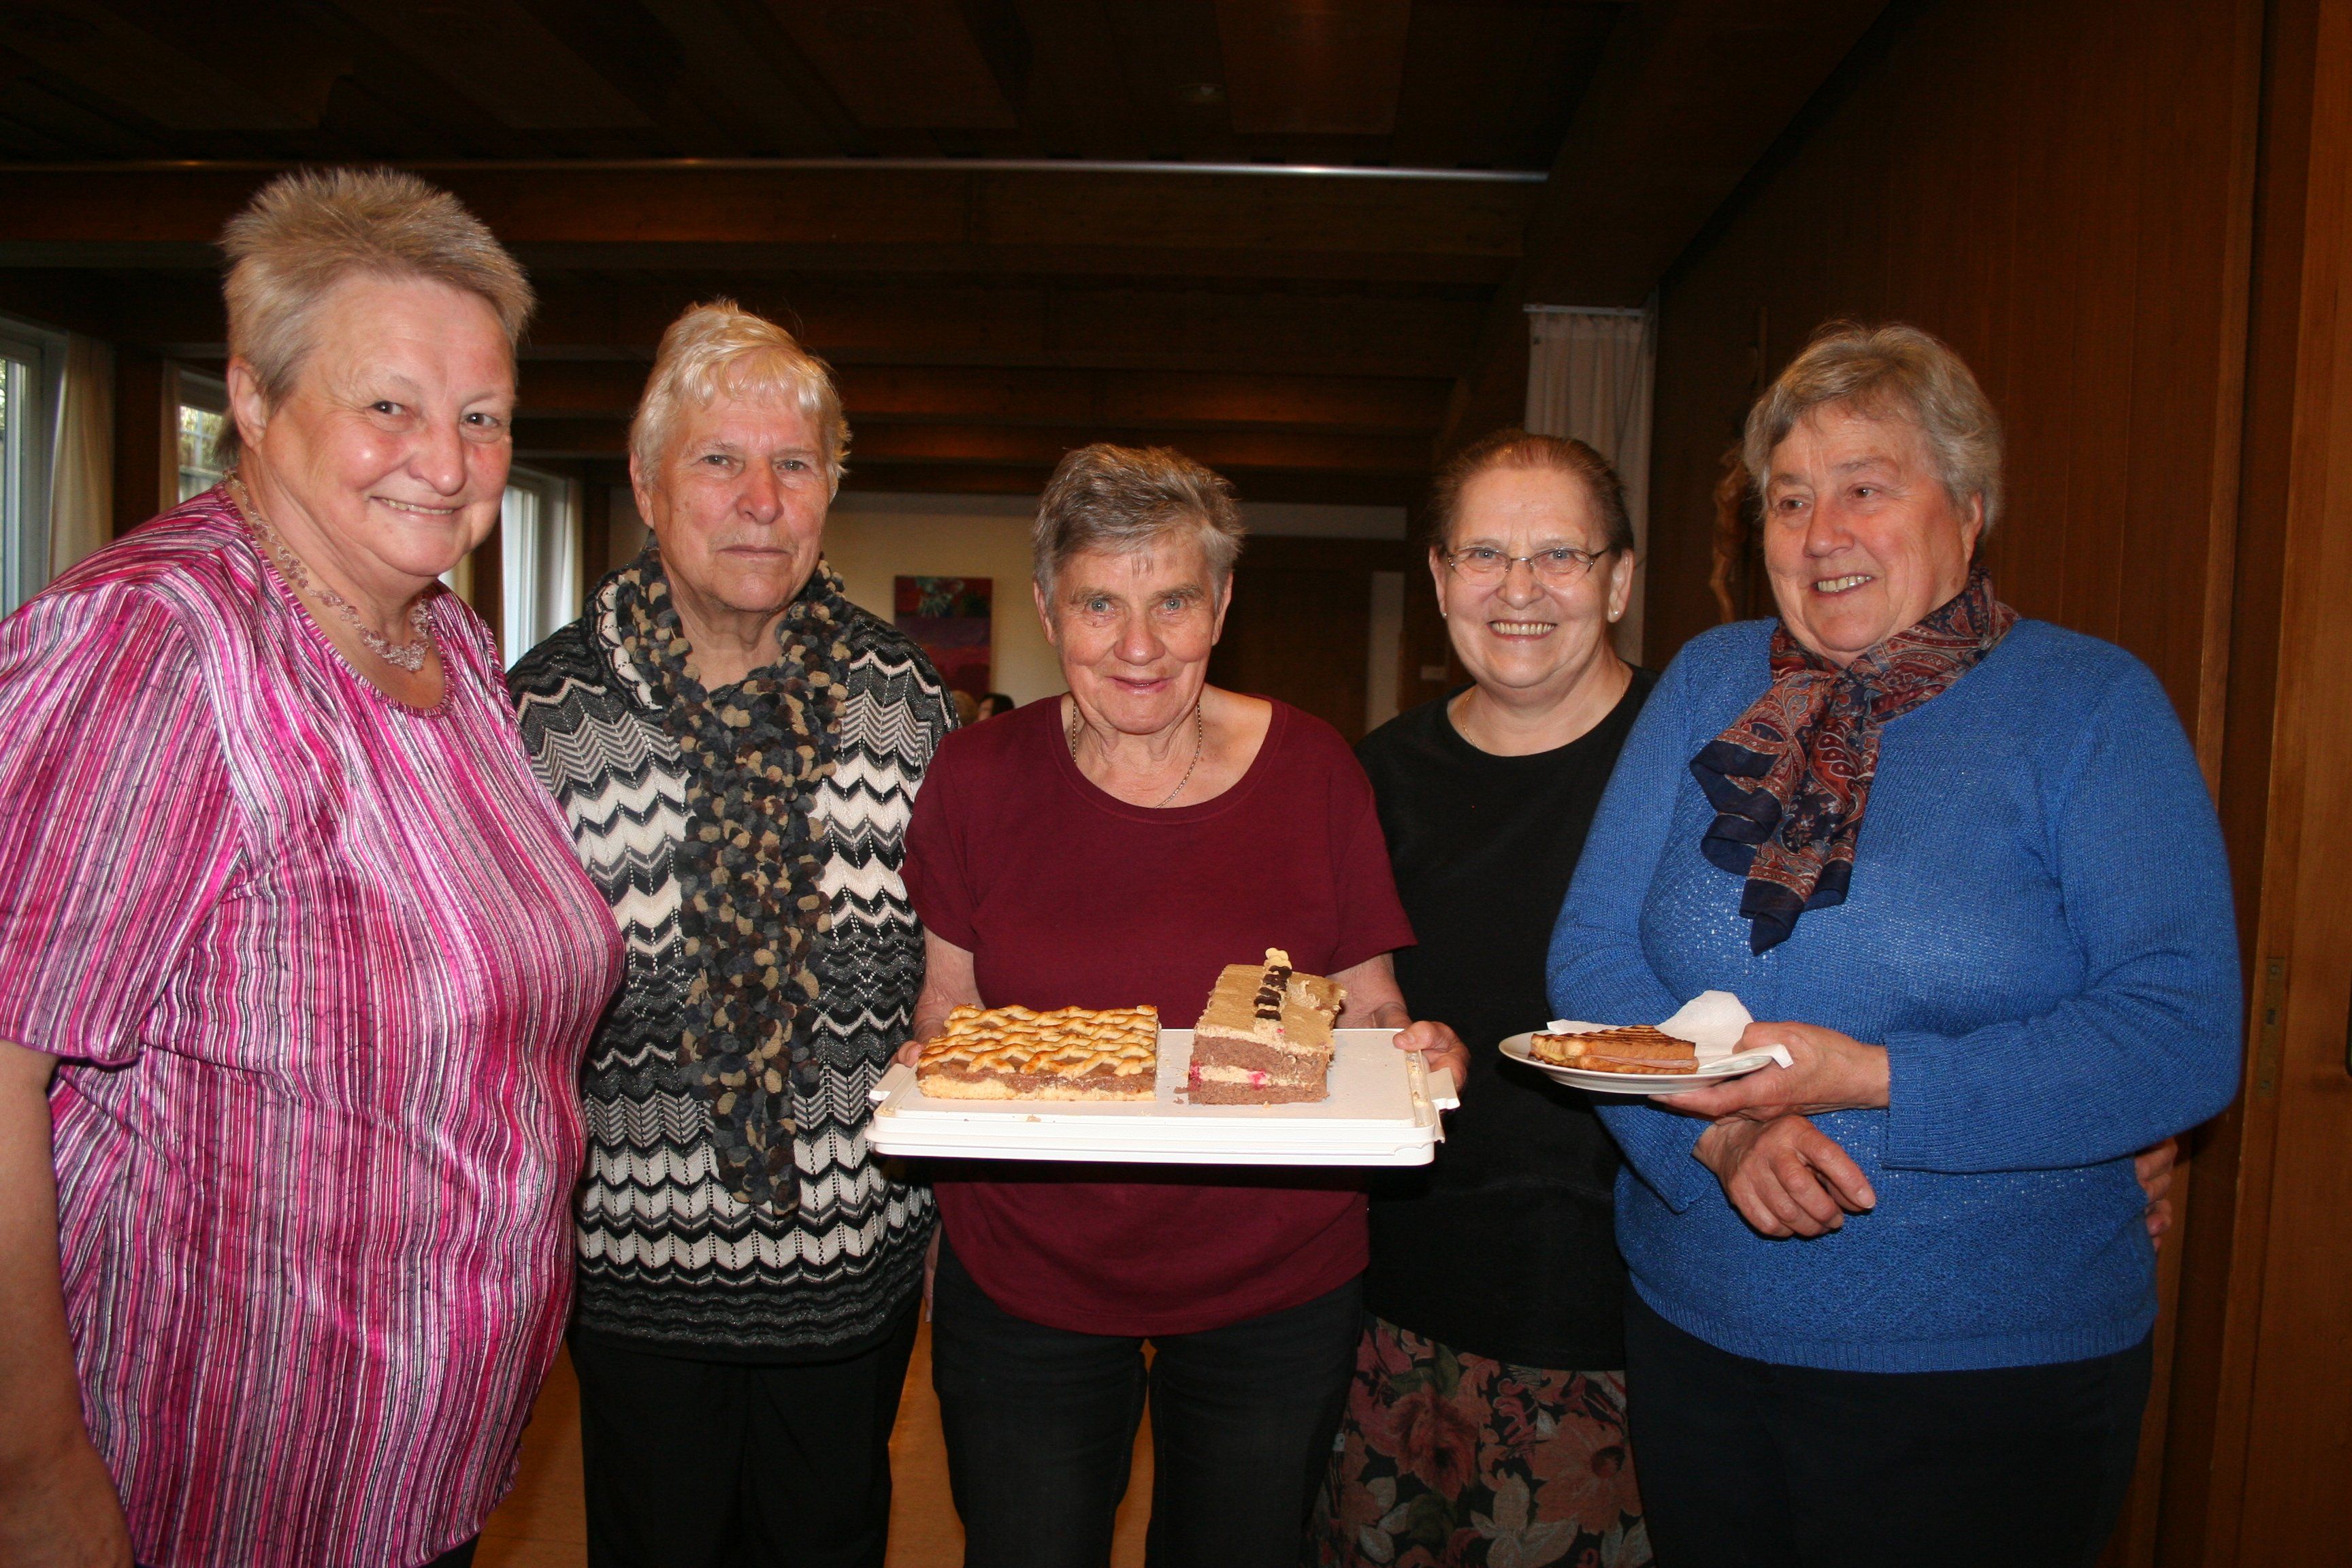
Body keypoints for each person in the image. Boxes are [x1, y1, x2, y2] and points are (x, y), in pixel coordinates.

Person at [0, 169, 625, 1568]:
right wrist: (29, 1479)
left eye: (482, 417)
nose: (447, 462)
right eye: (388, 405)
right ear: (255, 398)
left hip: (410, 1472)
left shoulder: (446, 641)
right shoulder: (157, 645)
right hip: (213, 1477)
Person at [1549, 322, 2240, 1568]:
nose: (1822, 534)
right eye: (1791, 499)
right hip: (1697, 1330)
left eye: (1866, 489)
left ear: (1968, 512)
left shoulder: (2091, 707)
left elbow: (2180, 1034)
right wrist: (1717, 1137)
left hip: (1992, 1372)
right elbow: (1593, 958)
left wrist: (1872, 1078)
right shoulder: (1707, 681)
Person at [896, 444, 1471, 1568]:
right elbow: (946, 1013)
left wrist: (1412, 1059)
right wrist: (934, 1100)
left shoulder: (1314, 770)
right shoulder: (976, 777)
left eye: (1172, 601)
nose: (1139, 645)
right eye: (1099, 605)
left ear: (1222, 603)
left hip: (1272, 1275)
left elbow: (1368, 1005)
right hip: (1026, 1268)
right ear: (1048, 610)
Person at [510, 301, 954, 1568]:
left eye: (794, 465)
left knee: (830, 1539)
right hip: (635, 1269)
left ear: (829, 493)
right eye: (719, 460)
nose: (761, 501)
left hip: (853, 1260)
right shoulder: (542, 713)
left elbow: (964, 968)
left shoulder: (900, 696)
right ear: (648, 483)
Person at [1316, 430, 1654, 1567]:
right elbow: (1336, 1010)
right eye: (1484, 554)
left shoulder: (1699, 765)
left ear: (1618, 579)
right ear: (1439, 577)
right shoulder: (1375, 778)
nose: (1519, 589)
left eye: (1559, 554)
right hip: (1401, 1310)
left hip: (1632, 1323)